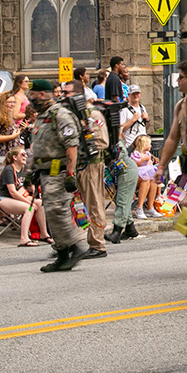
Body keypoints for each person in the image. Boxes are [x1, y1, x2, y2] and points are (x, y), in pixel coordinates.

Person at [27, 79, 88, 272]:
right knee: (52, 213)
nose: (31, 98)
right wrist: (31, 171)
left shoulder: (60, 115)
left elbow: (71, 146)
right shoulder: (42, 116)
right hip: (45, 171)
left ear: (43, 94)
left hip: (59, 171)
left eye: (34, 94)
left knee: (57, 211)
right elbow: (39, 148)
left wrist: (71, 174)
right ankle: (63, 255)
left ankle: (75, 248)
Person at [65, 79, 110, 258]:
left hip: (91, 165)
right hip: (74, 166)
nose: (64, 96)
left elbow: (102, 141)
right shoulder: (69, 115)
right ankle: (69, 243)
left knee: (94, 203)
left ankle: (97, 244)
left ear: (78, 93)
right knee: (74, 205)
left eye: (67, 93)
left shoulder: (93, 114)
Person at [156, 60, 187, 181]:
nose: (177, 80)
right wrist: (161, 166)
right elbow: (173, 138)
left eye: (181, 77)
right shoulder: (180, 106)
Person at [0, 145, 49, 247]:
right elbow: (12, 192)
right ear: (15, 157)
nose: (25, 156)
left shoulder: (22, 169)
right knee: (29, 207)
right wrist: (29, 202)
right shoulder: (9, 170)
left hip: (15, 197)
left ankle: (44, 234)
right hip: (3, 198)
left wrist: (33, 187)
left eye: (26, 154)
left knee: (40, 203)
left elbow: (27, 184)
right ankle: (24, 238)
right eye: (22, 154)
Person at [0, 91, 28, 160]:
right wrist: (12, 136)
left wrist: (20, 130)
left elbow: (8, 133)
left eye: (14, 102)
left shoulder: (9, 116)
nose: (12, 104)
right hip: (1, 156)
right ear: (2, 103)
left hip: (11, 155)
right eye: (9, 102)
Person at [131, 134, 161, 219]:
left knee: (153, 180)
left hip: (145, 174)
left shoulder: (148, 154)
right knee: (146, 180)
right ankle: (139, 208)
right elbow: (134, 165)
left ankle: (150, 207)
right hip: (136, 175)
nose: (150, 146)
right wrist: (143, 160)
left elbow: (149, 165)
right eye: (149, 144)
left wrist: (149, 161)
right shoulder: (136, 154)